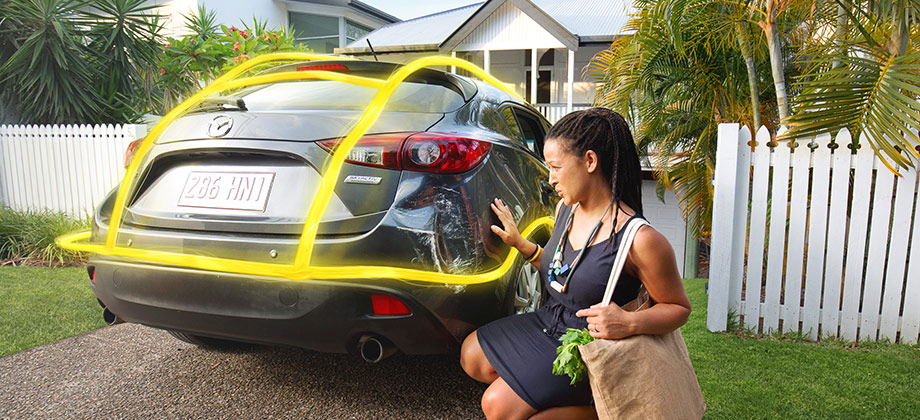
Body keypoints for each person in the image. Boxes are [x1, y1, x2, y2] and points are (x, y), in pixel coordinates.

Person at [460, 108, 692, 420]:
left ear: (590, 162)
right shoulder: (565, 211)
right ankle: (551, 395)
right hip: (551, 320)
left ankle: (605, 406)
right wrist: (520, 244)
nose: (550, 177)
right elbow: (564, 276)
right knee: (472, 354)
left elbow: (678, 307)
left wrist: (628, 322)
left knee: (497, 406)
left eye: (555, 167)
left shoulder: (640, 240)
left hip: (591, 346)